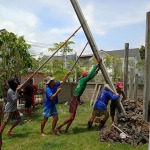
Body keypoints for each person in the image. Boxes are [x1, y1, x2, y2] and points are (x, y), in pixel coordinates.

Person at [55, 59, 101, 134]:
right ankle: (58, 128)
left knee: (72, 117)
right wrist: (96, 65)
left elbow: (91, 76)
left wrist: (98, 69)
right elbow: (90, 75)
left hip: (75, 99)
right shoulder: (83, 80)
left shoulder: (82, 80)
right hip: (74, 99)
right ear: (85, 76)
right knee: (71, 117)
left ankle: (66, 130)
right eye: (87, 75)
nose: (88, 76)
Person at [41, 71, 71, 136]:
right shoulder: (48, 89)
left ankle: (53, 130)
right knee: (45, 119)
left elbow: (62, 81)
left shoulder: (54, 85)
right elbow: (51, 98)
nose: (54, 80)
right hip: (48, 106)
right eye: (52, 80)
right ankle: (41, 132)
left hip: (53, 105)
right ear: (50, 82)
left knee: (56, 118)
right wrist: (57, 92)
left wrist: (67, 74)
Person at [0, 78, 21, 149]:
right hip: (9, 109)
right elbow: (14, 100)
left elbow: (19, 86)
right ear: (12, 83)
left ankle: (9, 131)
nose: (16, 83)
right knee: (4, 123)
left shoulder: (14, 88)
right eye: (15, 82)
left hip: (14, 109)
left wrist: (19, 90)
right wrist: (17, 92)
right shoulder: (10, 91)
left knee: (19, 120)